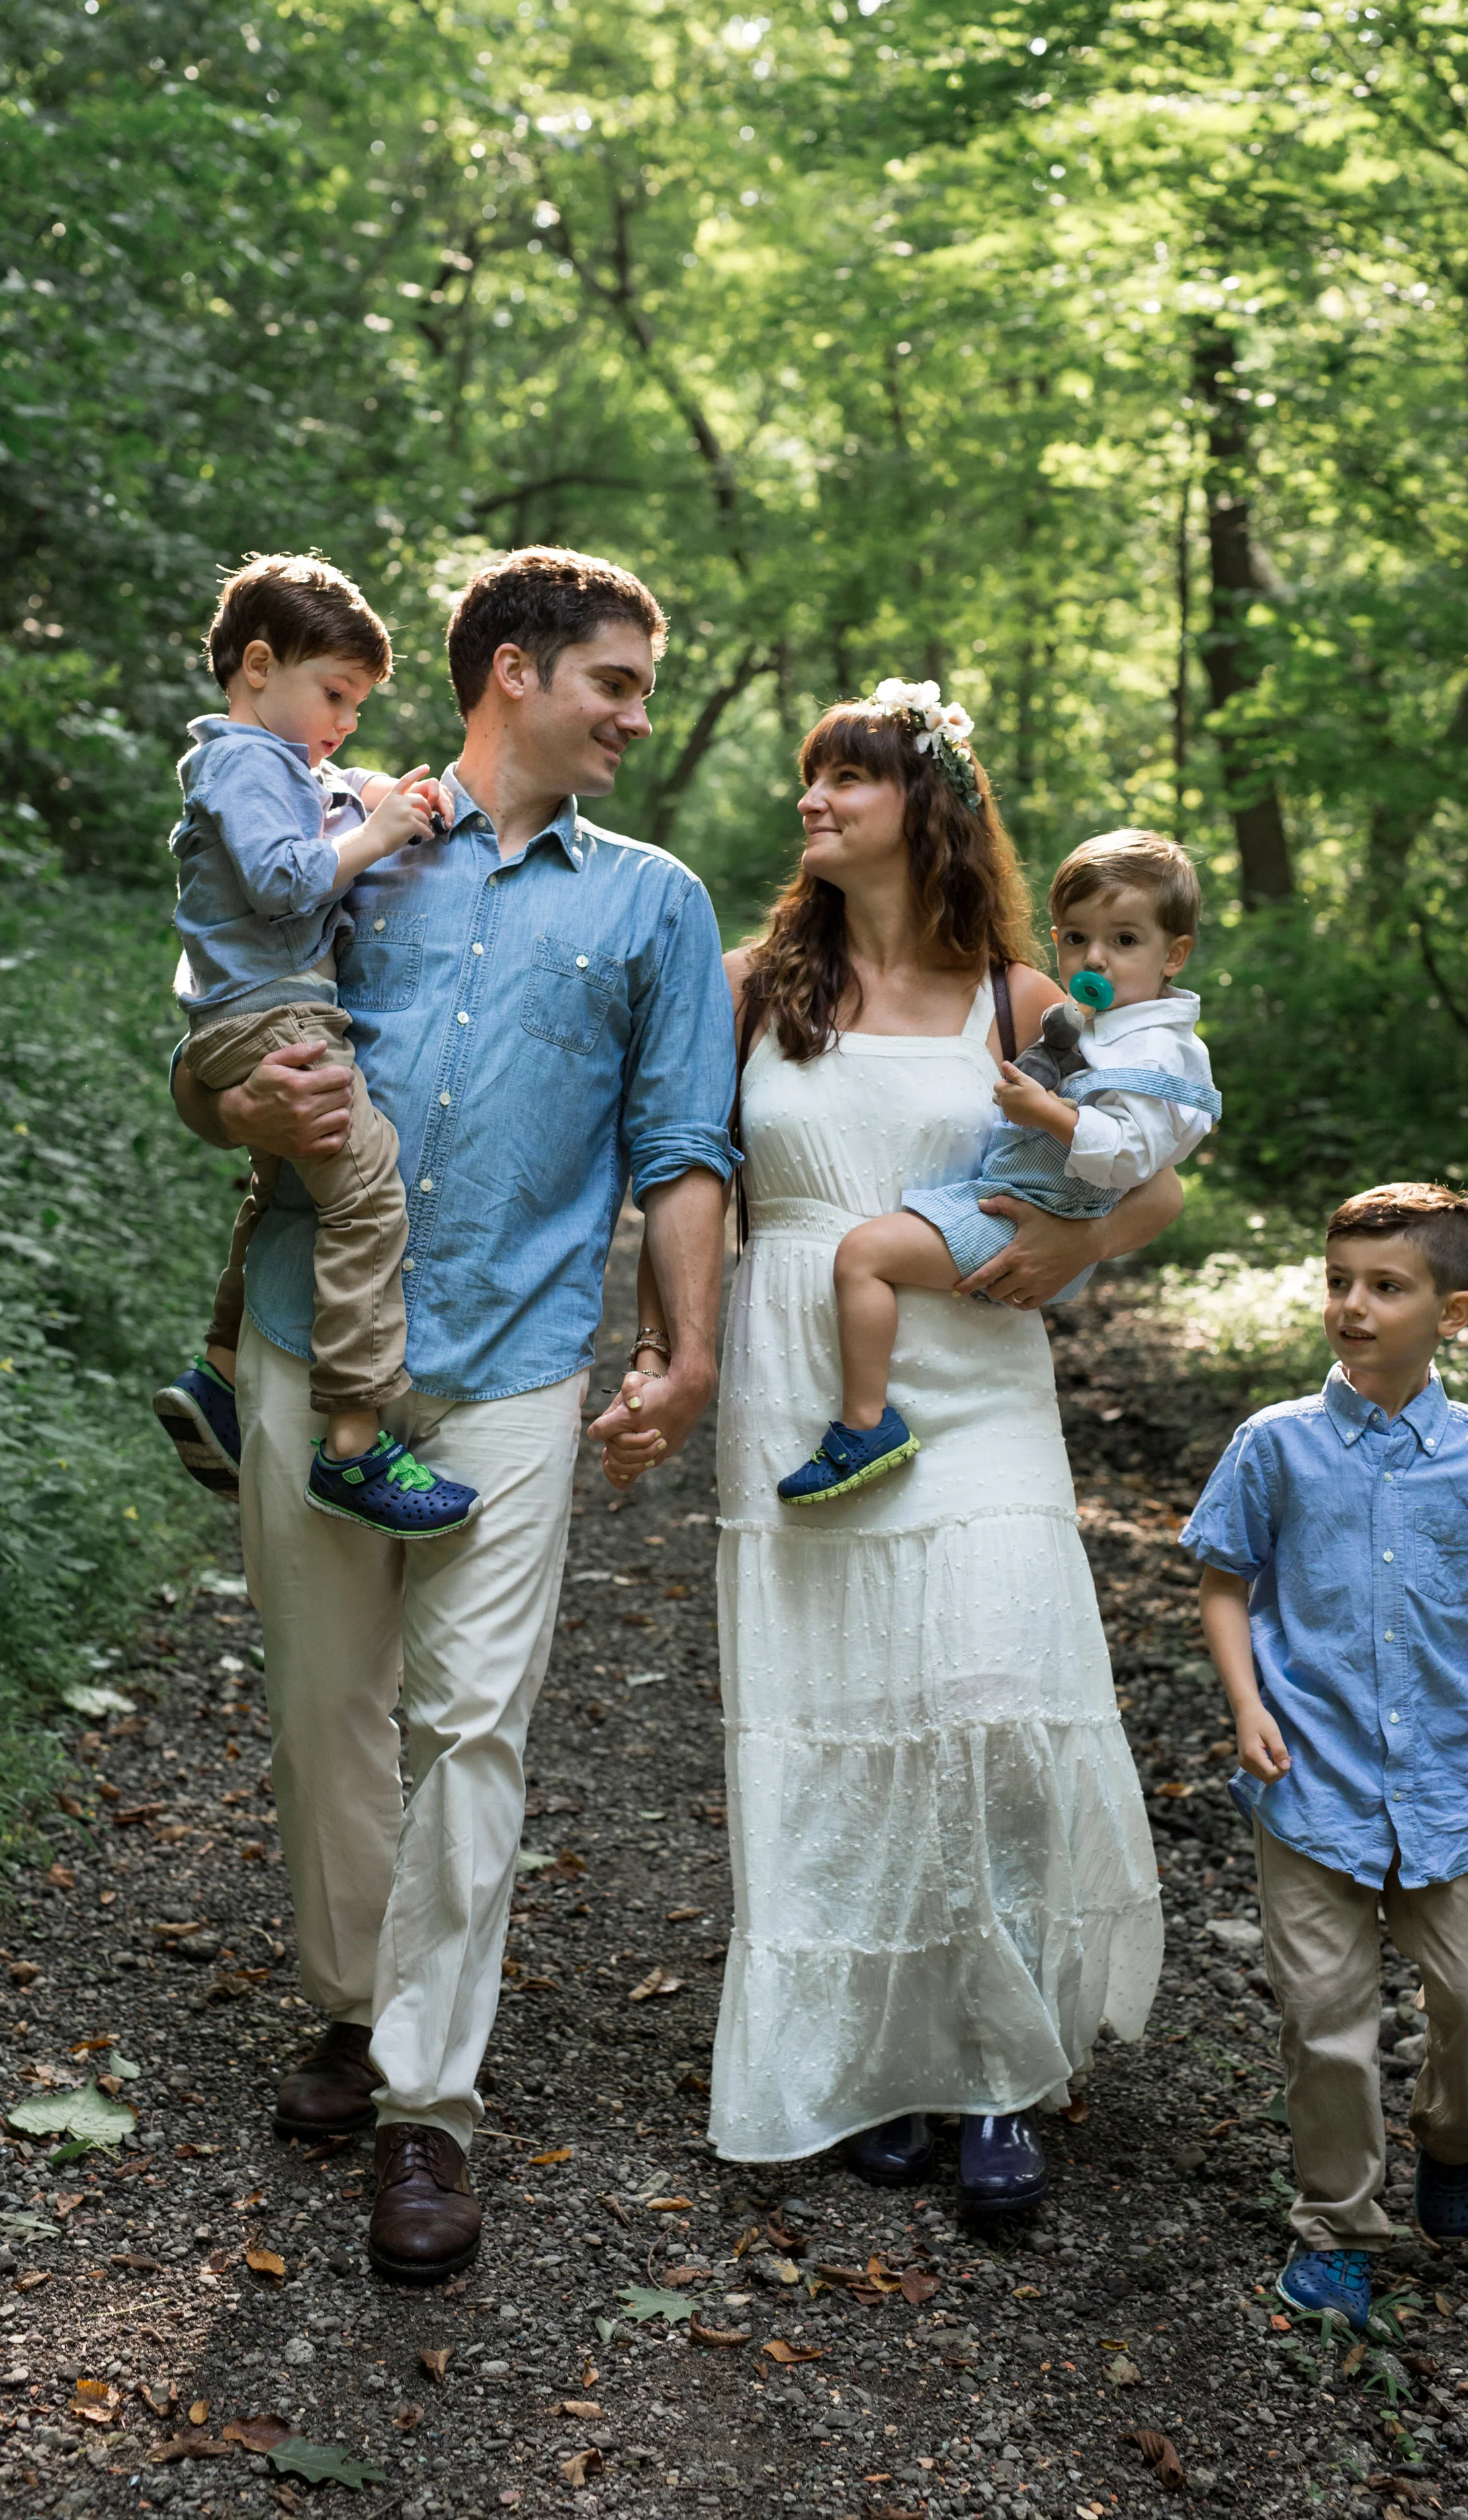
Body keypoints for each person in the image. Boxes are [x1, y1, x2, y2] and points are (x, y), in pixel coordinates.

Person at [169, 546, 735, 2282]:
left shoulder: (655, 903)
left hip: (505, 1361)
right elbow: (220, 1031)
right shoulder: (350, 836)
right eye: (616, 682)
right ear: (513, 671)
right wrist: (234, 1109)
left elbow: (681, 1146)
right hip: (308, 1344)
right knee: (328, 1706)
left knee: (470, 1723)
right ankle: (354, 2002)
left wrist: (682, 1347)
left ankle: (428, 2101)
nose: (637, 716)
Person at [597, 685, 1172, 2213]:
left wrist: (1077, 1241)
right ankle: (869, 2057)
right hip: (808, 1381)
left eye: (847, 776)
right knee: (844, 1725)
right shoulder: (743, 987)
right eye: (810, 777)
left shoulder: (1020, 998)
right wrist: (674, 1349)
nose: (815, 800)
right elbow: (683, 1180)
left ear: (922, 806)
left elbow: (1159, 1171)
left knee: (988, 1712)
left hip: (979, 1375)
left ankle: (995, 2067)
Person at [1179, 1183, 1468, 2330]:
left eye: (1386, 1288)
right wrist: (1246, 1701)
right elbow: (1222, 1581)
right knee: (1328, 2019)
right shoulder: (1277, 1445)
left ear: (1453, 1314)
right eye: (1339, 1282)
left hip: (1448, 1784)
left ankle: (1455, 2133)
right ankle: (1339, 2225)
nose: (1353, 1306)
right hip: (1310, 1781)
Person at [153, 553, 478, 1538]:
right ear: (259, 665)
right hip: (276, 1017)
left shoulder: (269, 761)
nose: (344, 721)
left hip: (245, 1017)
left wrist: (372, 792)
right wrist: (377, 834)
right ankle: (352, 1438)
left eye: (359, 706)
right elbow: (287, 878)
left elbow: (322, 792)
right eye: (334, 694)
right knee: (371, 1190)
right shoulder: (247, 762)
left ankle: (217, 1374)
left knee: (281, 1188)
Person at [776, 798, 1220, 1503]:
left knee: (864, 1255)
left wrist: (1046, 1113)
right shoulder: (1096, 1023)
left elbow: (1135, 1160)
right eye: (1076, 939)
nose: (1094, 958)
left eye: (1124, 941)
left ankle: (866, 1424)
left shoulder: (1158, 1050)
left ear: (1175, 954)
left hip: (1033, 1211)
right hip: (1010, 1193)